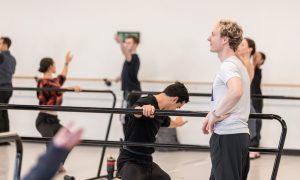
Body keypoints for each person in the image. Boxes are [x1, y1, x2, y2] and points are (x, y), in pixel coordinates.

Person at [203, 20, 250, 180]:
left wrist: (215, 114)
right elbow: (230, 95)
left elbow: (236, 92)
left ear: (225, 40)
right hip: (235, 136)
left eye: (213, 34)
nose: (208, 38)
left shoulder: (228, 66)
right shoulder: (238, 65)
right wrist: (212, 114)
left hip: (228, 136)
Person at [117, 82, 189, 180]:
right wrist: (142, 109)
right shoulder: (146, 101)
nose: (175, 110)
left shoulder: (162, 111)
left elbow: (169, 123)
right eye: (177, 107)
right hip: (130, 160)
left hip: (147, 162)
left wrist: (177, 123)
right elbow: (134, 111)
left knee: (165, 178)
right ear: (174, 99)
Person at [36, 51, 80, 172]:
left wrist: (66, 62)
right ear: (50, 66)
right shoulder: (42, 82)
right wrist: (72, 88)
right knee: (50, 144)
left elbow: (62, 77)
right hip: (43, 120)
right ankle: (47, 168)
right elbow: (56, 89)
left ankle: (57, 163)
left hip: (54, 120)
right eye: (55, 64)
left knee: (70, 138)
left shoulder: (54, 80)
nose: (56, 67)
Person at [236, 38, 261, 159]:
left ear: (250, 49)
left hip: (243, 101)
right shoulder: (239, 62)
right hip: (241, 100)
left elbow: (243, 86)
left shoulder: (247, 64)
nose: (239, 46)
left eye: (242, 45)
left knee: (248, 125)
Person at [114, 35, 142, 134]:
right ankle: (128, 142)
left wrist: (120, 42)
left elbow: (124, 52)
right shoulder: (129, 59)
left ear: (135, 44)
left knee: (125, 118)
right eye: (125, 42)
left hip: (132, 92)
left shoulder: (133, 57)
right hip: (129, 91)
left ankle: (128, 142)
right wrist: (116, 79)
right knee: (127, 118)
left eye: (128, 43)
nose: (126, 45)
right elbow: (125, 72)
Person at [249, 51, 266, 158]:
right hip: (250, 98)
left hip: (256, 99)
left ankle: (255, 147)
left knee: (257, 122)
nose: (255, 56)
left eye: (258, 56)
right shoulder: (250, 68)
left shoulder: (257, 70)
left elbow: (253, 67)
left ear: (262, 61)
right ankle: (251, 147)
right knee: (251, 122)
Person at [0, 37, 16, 136]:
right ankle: (6, 137)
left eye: (0, 43)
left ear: (5, 44)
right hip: (9, 88)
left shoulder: (1, 56)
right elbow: (12, 72)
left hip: (1, 88)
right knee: (4, 112)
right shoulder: (13, 59)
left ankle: (1, 138)